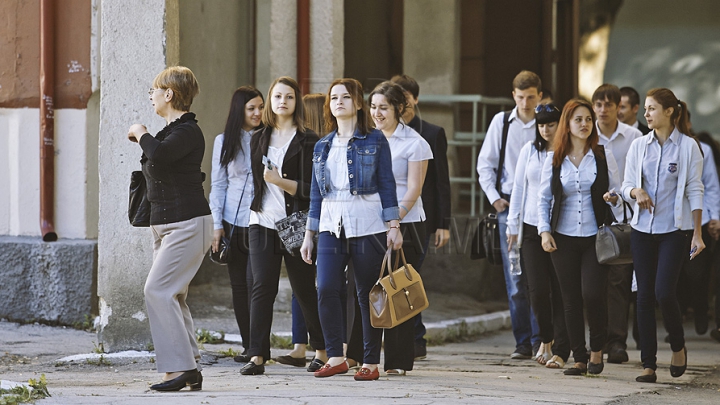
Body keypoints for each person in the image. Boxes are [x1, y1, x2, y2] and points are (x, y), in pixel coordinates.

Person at [300, 78, 403, 381]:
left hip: (367, 224)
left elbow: (387, 183)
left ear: (358, 103)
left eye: (346, 97)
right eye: (334, 98)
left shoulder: (374, 140)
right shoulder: (322, 145)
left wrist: (393, 225)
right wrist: (309, 233)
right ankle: (336, 356)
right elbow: (316, 193)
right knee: (327, 288)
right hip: (332, 226)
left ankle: (370, 361)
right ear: (329, 105)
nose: (340, 102)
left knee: (367, 294)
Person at [127, 66, 210, 391]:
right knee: (173, 295)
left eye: (154, 90)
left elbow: (159, 156)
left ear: (169, 94)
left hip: (187, 223)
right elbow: (159, 157)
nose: (151, 95)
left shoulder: (187, 131)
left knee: (157, 291)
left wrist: (140, 131)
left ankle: (179, 369)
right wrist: (145, 137)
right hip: (167, 225)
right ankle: (188, 367)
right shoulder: (169, 132)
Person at [240, 76, 326, 376]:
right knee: (262, 287)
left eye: (288, 97)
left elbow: (312, 188)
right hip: (261, 221)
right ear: (270, 100)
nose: (282, 102)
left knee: (304, 288)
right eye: (277, 96)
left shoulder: (309, 140)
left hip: (295, 223)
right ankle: (257, 355)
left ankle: (322, 349)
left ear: (296, 102)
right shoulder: (258, 137)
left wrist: (280, 182)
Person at [622, 88, 704, 383]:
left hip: (675, 230)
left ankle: (678, 345)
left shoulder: (688, 147)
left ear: (669, 111)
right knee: (643, 297)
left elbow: (696, 190)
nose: (646, 114)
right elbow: (626, 185)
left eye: (652, 108)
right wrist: (635, 191)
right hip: (642, 229)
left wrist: (697, 233)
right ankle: (648, 365)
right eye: (645, 108)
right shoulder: (638, 145)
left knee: (663, 292)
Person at [537, 98, 623, 376]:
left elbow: (620, 192)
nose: (585, 124)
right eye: (578, 120)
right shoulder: (555, 157)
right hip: (562, 237)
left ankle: (598, 349)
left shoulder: (601, 154)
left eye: (588, 119)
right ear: (568, 124)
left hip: (595, 237)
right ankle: (579, 357)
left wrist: (613, 198)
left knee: (593, 294)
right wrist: (544, 231)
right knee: (569, 299)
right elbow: (543, 199)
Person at [477, 70, 541, 359]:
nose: (525, 103)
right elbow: (485, 164)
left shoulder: (547, 122)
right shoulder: (502, 122)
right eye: (520, 97)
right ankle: (523, 343)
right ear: (513, 96)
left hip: (542, 204)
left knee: (542, 276)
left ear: (539, 95)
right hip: (509, 204)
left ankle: (545, 340)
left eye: (530, 97)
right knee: (515, 277)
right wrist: (495, 200)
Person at [370, 80, 432, 376]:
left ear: (398, 108)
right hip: (368, 225)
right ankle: (362, 356)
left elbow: (413, 189)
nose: (377, 113)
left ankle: (396, 361)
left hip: (406, 225)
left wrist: (392, 219)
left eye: (383, 107)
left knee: (398, 291)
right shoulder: (366, 139)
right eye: (373, 107)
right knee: (366, 289)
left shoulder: (415, 143)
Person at [391, 74, 451, 360]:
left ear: (414, 99)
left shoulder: (431, 132)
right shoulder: (379, 132)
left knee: (408, 278)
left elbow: (441, 182)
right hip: (383, 219)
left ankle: (416, 340)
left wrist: (443, 224)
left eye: (404, 96)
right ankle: (399, 337)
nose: (400, 102)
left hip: (419, 219)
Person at [507, 103, 570, 369]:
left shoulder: (568, 152)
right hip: (532, 227)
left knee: (560, 289)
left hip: (561, 228)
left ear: (560, 125)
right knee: (537, 290)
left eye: (550, 124)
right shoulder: (529, 151)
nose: (545, 129)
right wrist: (513, 225)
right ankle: (546, 337)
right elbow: (518, 188)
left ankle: (559, 344)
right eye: (541, 124)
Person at [209, 86, 264, 364]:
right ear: (239, 110)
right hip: (232, 221)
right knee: (239, 286)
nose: (257, 113)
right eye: (251, 108)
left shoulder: (268, 138)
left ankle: (259, 347)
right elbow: (218, 185)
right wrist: (217, 225)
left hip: (261, 220)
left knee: (256, 283)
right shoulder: (224, 141)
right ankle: (248, 345)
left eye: (260, 107)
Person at [591, 84, 643, 364]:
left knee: (619, 281)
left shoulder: (634, 136)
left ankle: (617, 342)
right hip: (592, 217)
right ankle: (593, 340)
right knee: (591, 281)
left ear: (617, 107)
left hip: (626, 218)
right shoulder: (586, 134)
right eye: (598, 104)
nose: (603, 110)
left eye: (609, 104)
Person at [281, 93, 330, 365]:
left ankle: (300, 346)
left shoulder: (303, 144)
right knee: (321, 286)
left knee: (302, 285)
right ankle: (325, 346)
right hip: (318, 221)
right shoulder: (320, 145)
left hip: (297, 220)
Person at [678, 130, 720, 336]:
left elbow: (711, 186)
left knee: (697, 273)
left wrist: (714, 216)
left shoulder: (704, 149)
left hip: (698, 218)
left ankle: (701, 309)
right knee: (674, 275)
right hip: (670, 222)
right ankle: (675, 321)